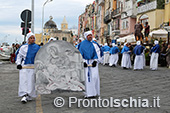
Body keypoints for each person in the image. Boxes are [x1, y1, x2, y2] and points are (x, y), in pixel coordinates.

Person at [16, 32, 40, 103]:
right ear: (28, 39)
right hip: (24, 67)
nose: (32, 39)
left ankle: (29, 95)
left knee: (31, 82)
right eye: (31, 38)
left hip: (32, 67)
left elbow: (40, 56)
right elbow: (19, 56)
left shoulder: (37, 47)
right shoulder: (23, 47)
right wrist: (18, 64)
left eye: (33, 38)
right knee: (23, 81)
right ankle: (24, 95)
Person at [78, 30, 100, 98]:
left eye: (91, 35)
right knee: (87, 79)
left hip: (93, 62)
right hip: (85, 63)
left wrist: (96, 61)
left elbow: (98, 53)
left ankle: (94, 92)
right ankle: (88, 93)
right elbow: (80, 54)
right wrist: (83, 62)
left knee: (94, 77)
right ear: (86, 36)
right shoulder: (82, 44)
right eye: (89, 35)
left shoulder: (94, 44)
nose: (90, 36)